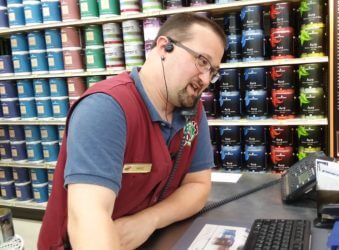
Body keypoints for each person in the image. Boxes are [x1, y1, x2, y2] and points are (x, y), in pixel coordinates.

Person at [37, 13, 226, 249]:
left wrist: (149, 220)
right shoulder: (106, 108)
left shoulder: (192, 111)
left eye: (213, 71)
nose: (206, 79)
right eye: (202, 61)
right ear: (164, 47)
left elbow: (198, 185)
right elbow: (88, 219)